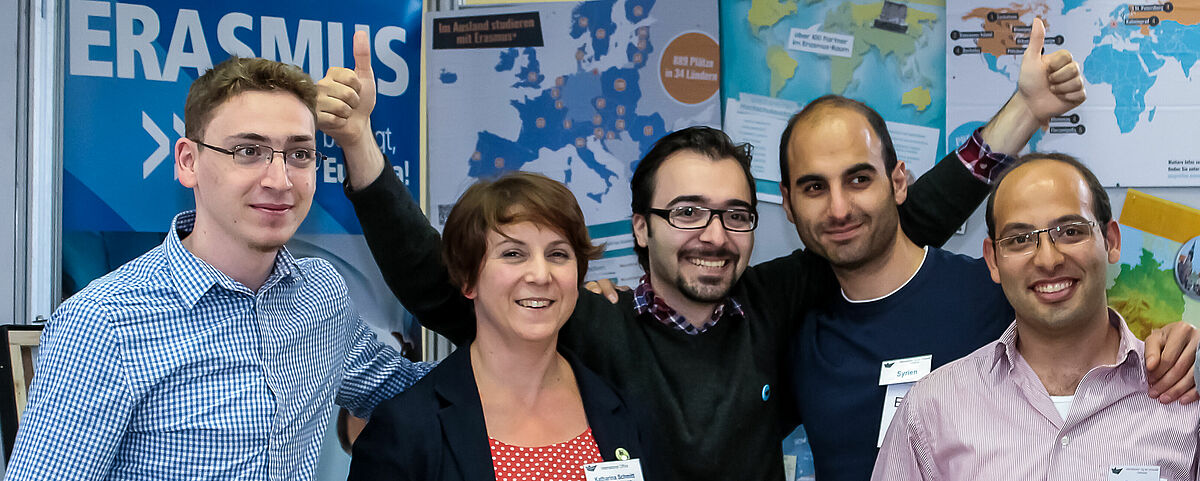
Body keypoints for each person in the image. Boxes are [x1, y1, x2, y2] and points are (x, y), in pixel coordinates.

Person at [313, 23, 1189, 481]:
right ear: (642, 226)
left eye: (735, 212)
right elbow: (442, 284)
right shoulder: (578, 317)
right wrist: (359, 149)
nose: (713, 232)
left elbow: (899, 217)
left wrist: (1023, 114)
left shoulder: (778, 298)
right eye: (687, 211)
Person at [781, 20, 1198, 481]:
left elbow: (1079, 302)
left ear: (899, 182)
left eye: (859, 179)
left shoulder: (986, 289)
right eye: (814, 187)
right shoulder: (788, 323)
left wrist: (1173, 341)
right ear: (787, 202)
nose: (840, 208)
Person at [6, 54, 431, 480]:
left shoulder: (320, 296)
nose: (280, 180)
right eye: (248, 151)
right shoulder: (105, 323)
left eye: (299, 154)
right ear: (188, 162)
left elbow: (406, 390)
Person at [872, 153, 1200, 480]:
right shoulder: (932, 409)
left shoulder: (1186, 396)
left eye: (1070, 231)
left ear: (1111, 241)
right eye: (1020, 240)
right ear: (993, 261)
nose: (1048, 259)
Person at [346, 172, 654, 481]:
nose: (540, 274)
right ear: (468, 279)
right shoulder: (405, 428)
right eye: (513, 254)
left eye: (557, 254)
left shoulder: (622, 408)